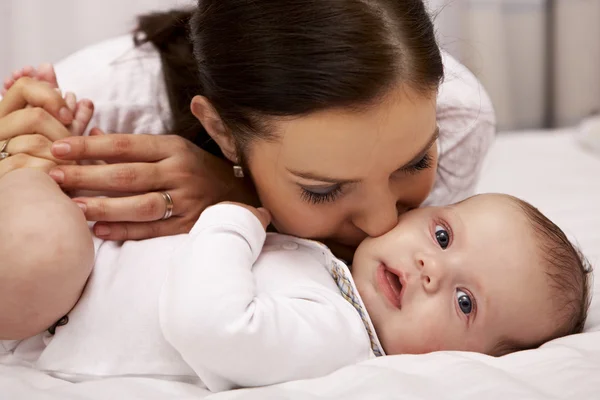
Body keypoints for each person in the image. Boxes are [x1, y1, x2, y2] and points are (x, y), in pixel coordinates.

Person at [0, 0, 494, 340]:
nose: (385, 222)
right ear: (221, 132)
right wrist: (15, 167)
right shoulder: (100, 106)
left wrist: (231, 195)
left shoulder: (456, 119)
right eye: (323, 190)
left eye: (414, 163)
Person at [0, 167, 591, 392]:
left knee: (41, 222)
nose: (430, 270)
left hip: (58, 304)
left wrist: (230, 224)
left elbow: (209, 326)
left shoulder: (337, 337)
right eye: (442, 236)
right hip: (75, 270)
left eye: (466, 301)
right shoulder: (334, 278)